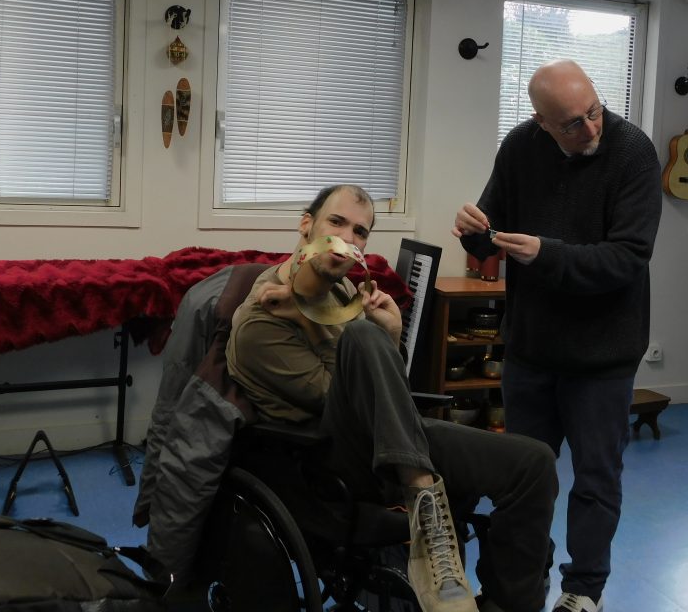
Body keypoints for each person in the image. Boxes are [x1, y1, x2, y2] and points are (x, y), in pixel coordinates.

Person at [226, 184, 558, 612]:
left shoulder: (344, 292)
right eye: (336, 222)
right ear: (306, 225)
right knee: (363, 335)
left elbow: (387, 394)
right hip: (330, 457)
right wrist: (308, 317)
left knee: (535, 463)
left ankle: (505, 604)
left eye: (360, 231)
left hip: (393, 441)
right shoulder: (262, 320)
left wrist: (395, 335)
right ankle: (426, 504)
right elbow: (343, 399)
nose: (348, 239)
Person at [453, 59, 662, 612]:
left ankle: (582, 591)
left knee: (595, 480)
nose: (589, 129)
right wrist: (473, 235)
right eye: (570, 123)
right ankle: (521, 583)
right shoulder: (520, 148)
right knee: (524, 478)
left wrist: (548, 254)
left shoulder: (633, 151)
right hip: (532, 352)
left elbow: (628, 257)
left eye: (593, 112)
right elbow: (491, 236)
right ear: (541, 122)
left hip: (603, 356)